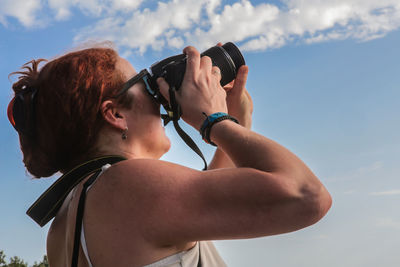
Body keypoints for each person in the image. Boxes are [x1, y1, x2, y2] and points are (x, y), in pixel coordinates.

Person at [8, 44, 332, 267]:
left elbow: (211, 197)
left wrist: (236, 120)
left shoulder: (69, 217)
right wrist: (213, 121)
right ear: (115, 114)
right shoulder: (124, 185)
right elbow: (305, 195)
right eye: (146, 86)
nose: (159, 97)